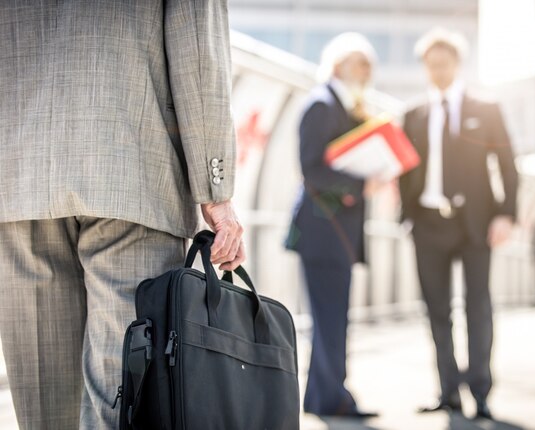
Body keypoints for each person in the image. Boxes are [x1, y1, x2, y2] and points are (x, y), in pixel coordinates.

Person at [0, 2, 244, 429]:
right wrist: (215, 191)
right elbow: (198, 54)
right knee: (126, 390)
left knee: (43, 399)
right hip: (130, 169)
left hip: (19, 178)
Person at [399, 28, 518, 420]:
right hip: (428, 224)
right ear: (424, 67)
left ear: (457, 63)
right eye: (431, 65)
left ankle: (481, 392)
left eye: (444, 63)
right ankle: (448, 391)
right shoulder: (413, 114)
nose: (437, 70)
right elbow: (403, 168)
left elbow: (506, 164)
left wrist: (505, 213)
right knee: (436, 310)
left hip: (475, 224)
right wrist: (406, 215)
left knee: (477, 307)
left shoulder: (485, 109)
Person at [285, 32, 379, 418]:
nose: (367, 73)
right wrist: (360, 184)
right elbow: (311, 168)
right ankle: (334, 396)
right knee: (328, 315)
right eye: (362, 64)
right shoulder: (322, 105)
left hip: (335, 229)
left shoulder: (347, 107)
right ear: (339, 64)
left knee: (332, 314)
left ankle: (323, 396)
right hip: (323, 230)